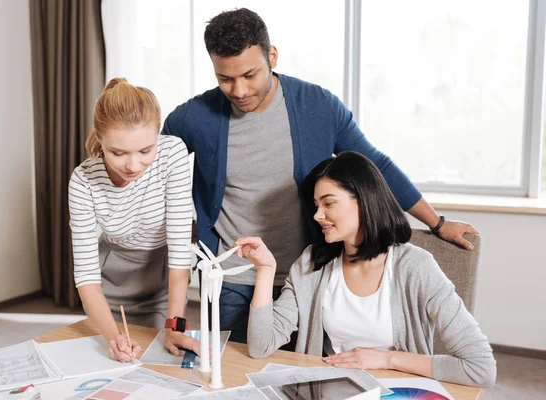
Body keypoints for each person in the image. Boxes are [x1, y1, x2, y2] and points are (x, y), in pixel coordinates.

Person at [163, 8, 479, 343]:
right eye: (225, 79)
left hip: (308, 276)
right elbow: (153, 159)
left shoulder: (318, 106)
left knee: (308, 378)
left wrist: (437, 223)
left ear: (272, 56)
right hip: (232, 278)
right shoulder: (195, 116)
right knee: (234, 378)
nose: (239, 90)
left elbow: (376, 167)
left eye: (250, 75)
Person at [234, 151, 496, 387]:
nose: (317, 215)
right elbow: (260, 346)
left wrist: (386, 359)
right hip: (332, 389)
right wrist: (266, 270)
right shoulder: (312, 263)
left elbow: (480, 368)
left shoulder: (415, 267)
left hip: (397, 389)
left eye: (328, 203)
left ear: (363, 200)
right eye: (316, 205)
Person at [69, 78, 198, 362]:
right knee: (112, 362)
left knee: (161, 366)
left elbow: (179, 256)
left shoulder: (172, 155)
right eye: (118, 153)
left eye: (145, 150)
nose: (133, 165)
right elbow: (87, 277)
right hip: (109, 288)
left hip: (162, 279)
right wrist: (113, 337)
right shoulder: (83, 181)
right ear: (99, 138)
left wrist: (174, 326)